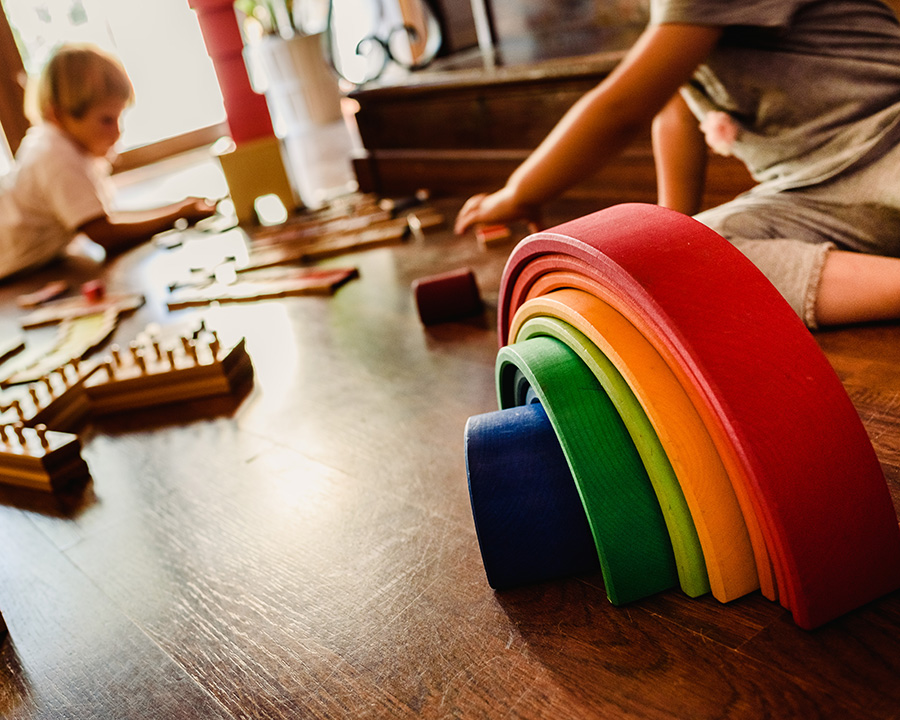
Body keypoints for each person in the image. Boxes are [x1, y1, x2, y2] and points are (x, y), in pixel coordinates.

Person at [454, 0, 900, 329]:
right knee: (686, 264)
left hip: (889, 144)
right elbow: (674, 111)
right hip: (809, 194)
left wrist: (518, 193)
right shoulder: (675, 20)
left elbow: (622, 110)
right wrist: (671, 232)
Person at [0, 43, 216, 281]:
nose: (118, 131)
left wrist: (178, 207)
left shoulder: (61, 145)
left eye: (119, 118)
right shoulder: (55, 156)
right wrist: (176, 213)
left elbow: (104, 218)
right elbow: (104, 234)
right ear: (58, 115)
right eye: (106, 120)